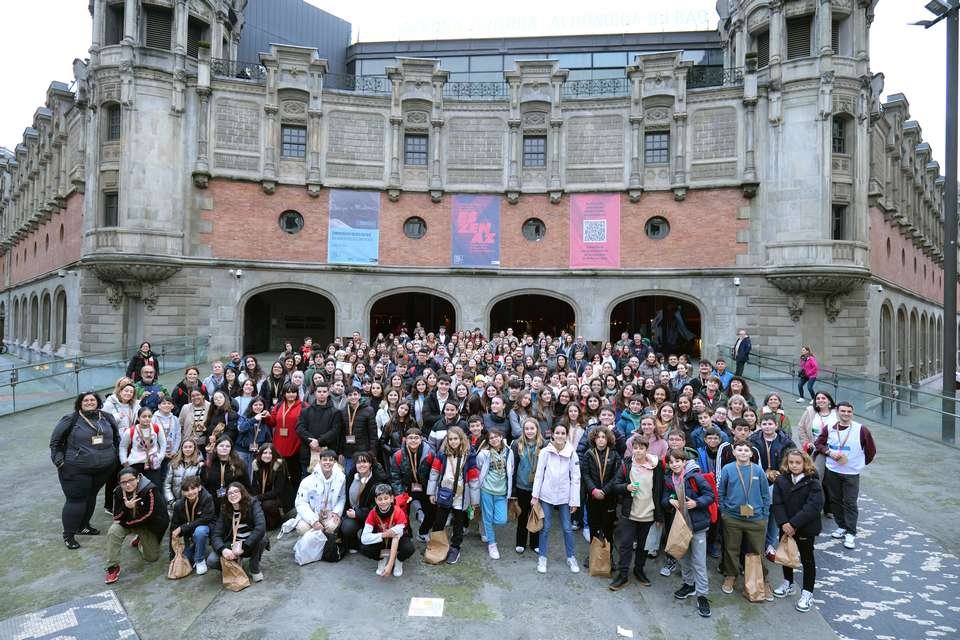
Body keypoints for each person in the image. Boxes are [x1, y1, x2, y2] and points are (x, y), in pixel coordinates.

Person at [51, 392, 120, 549]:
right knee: (76, 500)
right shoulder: (71, 419)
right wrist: (59, 461)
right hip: (76, 469)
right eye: (86, 400)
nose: (89, 402)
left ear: (98, 402)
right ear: (80, 404)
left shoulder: (107, 417)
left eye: (92, 400)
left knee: (91, 496)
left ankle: (83, 526)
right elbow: (55, 443)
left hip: (103, 468)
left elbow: (116, 438)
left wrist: (114, 456)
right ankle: (69, 535)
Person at [814, 401, 876, 550]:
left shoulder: (861, 429)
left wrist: (859, 464)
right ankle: (841, 526)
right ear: (837, 412)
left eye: (849, 411)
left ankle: (851, 533)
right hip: (832, 470)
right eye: (843, 411)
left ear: (852, 413)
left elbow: (871, 450)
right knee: (835, 500)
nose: (846, 414)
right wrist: (829, 452)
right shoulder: (830, 427)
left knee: (850, 502)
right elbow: (819, 444)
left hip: (851, 473)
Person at [662, 449, 714, 618]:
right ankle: (688, 584)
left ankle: (702, 595)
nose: (675, 464)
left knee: (699, 561)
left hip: (697, 526)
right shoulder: (668, 479)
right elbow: (663, 499)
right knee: (683, 557)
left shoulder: (694, 477)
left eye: (678, 461)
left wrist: (697, 503)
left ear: (684, 462)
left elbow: (710, 495)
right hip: (680, 525)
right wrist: (670, 500)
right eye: (671, 462)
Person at [718, 440, 772, 599]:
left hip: (756, 518)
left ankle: (762, 580)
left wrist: (764, 515)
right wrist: (724, 512)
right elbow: (721, 492)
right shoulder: (727, 469)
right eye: (739, 450)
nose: (743, 452)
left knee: (757, 551)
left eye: (746, 450)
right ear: (734, 452)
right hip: (732, 517)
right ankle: (731, 575)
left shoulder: (758, 470)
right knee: (731, 548)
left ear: (751, 453)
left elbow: (765, 494)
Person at [771, 449, 823, 612]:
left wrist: (793, 524)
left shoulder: (813, 482)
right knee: (786, 555)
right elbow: (777, 503)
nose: (794, 465)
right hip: (786, 527)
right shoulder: (781, 480)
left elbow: (813, 506)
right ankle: (788, 583)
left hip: (805, 527)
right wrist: (784, 523)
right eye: (791, 462)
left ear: (805, 463)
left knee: (807, 560)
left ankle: (807, 592)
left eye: (798, 462)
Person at [609, 436, 662, 590]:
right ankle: (623, 574)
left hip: (648, 513)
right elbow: (615, 485)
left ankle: (639, 570)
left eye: (641, 448)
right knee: (625, 544)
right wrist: (626, 487)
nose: (638, 451)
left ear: (647, 449)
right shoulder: (626, 464)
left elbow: (659, 490)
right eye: (636, 448)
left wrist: (659, 515)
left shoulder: (656, 466)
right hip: (630, 513)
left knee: (643, 546)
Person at [104, 466, 170, 584]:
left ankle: (140, 541)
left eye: (131, 480)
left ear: (138, 478)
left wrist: (126, 523)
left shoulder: (150, 490)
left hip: (147, 525)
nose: (127, 485)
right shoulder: (118, 492)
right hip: (128, 522)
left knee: (151, 558)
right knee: (114, 531)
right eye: (123, 482)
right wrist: (126, 507)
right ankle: (112, 567)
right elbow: (116, 516)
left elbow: (150, 515)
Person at [530, 423, 581, 574]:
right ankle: (542, 557)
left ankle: (571, 557)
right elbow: (539, 474)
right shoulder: (545, 452)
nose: (560, 436)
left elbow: (576, 478)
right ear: (552, 434)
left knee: (567, 528)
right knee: (545, 527)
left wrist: (574, 501)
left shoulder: (572, 453)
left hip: (565, 496)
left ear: (566, 435)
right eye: (557, 433)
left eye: (563, 433)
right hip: (547, 495)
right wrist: (535, 496)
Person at [427, 426, 480, 565]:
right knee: (439, 521)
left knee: (458, 522)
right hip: (445, 492)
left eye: (456, 438)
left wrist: (474, 500)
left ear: (461, 439)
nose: (453, 441)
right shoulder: (442, 454)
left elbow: (473, 478)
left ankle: (455, 548)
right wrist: (431, 492)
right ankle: (437, 545)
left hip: (461, 495)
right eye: (450, 439)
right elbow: (434, 473)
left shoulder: (470, 455)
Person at [749, 415, 797, 559]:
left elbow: (792, 460)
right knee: (762, 513)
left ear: (776, 425)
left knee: (776, 514)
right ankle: (759, 543)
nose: (767, 427)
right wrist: (762, 472)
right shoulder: (753, 440)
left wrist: (781, 473)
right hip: (759, 481)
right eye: (764, 424)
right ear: (760, 425)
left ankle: (770, 544)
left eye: (770, 424)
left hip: (780, 481)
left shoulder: (786, 441)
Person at [207, 482, 268, 583]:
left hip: (250, 542)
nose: (233, 495)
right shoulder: (225, 508)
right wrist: (223, 549)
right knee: (211, 561)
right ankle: (235, 564)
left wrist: (244, 546)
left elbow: (260, 527)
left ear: (242, 492)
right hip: (233, 543)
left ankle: (254, 567)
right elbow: (216, 534)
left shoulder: (253, 503)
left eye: (236, 491)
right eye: (230, 493)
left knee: (263, 538)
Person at [389, 425, 436, 542]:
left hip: (425, 486)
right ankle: (407, 533)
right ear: (405, 439)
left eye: (416, 438)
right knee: (401, 511)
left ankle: (423, 532)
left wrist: (432, 491)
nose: (413, 440)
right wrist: (400, 494)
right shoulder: (398, 455)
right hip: (407, 487)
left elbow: (434, 474)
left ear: (421, 439)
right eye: (410, 438)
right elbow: (395, 477)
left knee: (432, 511)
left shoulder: (430, 454)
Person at [360, 483, 416, 577]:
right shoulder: (372, 513)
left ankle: (398, 560)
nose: (383, 502)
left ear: (391, 498)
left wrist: (390, 565)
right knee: (364, 547)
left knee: (409, 548)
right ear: (375, 500)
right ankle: (382, 559)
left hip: (397, 540)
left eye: (386, 498)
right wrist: (383, 535)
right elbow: (364, 538)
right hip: (382, 539)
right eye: (380, 499)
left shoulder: (398, 512)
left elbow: (396, 537)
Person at [476, 429, 514, 559]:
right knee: (488, 518)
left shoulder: (508, 452)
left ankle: (485, 525)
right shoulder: (484, 454)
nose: (494, 439)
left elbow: (511, 469)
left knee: (501, 519)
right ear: (488, 440)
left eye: (496, 436)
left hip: (502, 491)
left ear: (501, 437)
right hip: (486, 490)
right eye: (491, 438)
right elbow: (479, 468)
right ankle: (492, 544)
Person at [294, 449, 346, 543]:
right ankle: (311, 542)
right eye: (324, 460)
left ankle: (327, 544)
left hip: (330, 512)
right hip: (313, 512)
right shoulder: (308, 480)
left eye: (331, 460)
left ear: (335, 462)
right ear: (320, 461)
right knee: (302, 528)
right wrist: (313, 521)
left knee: (332, 526)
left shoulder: (341, 479)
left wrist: (337, 512)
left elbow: (342, 497)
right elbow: (301, 503)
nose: (327, 462)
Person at [102, 379, 138, 513]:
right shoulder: (110, 403)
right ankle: (109, 505)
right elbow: (103, 421)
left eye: (131, 392)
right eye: (126, 391)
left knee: (126, 474)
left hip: (129, 444)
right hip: (115, 444)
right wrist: (116, 417)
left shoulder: (133, 405)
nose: (128, 393)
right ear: (120, 391)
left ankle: (124, 502)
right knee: (113, 476)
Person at [582, 426, 620, 552]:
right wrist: (593, 490)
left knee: (608, 529)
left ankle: (608, 556)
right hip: (593, 497)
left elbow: (617, 476)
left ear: (608, 439)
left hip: (609, 498)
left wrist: (604, 491)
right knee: (594, 529)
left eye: (603, 437)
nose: (601, 439)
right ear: (594, 439)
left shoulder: (614, 454)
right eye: (598, 437)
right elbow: (585, 474)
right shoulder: (589, 454)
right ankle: (593, 555)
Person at [169, 475, 216, 575]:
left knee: (200, 531)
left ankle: (200, 560)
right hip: (188, 533)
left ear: (199, 488)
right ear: (182, 492)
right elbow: (173, 528)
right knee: (186, 560)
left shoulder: (207, 498)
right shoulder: (179, 505)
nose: (190, 492)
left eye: (193, 488)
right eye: (186, 490)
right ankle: (195, 549)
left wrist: (183, 527)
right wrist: (173, 555)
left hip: (205, 527)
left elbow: (206, 519)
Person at [341, 451, 388, 551]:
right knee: (347, 527)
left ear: (370, 464)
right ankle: (353, 542)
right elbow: (346, 499)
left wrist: (357, 514)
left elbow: (378, 506)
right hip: (353, 513)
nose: (361, 465)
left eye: (365, 462)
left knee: (367, 547)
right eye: (358, 462)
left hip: (372, 516)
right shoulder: (351, 476)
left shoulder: (378, 481)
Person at [511, 418, 544, 554]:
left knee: (535, 514)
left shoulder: (544, 445)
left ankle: (535, 543)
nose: (529, 431)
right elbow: (513, 468)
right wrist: (513, 490)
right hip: (522, 486)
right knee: (523, 515)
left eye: (532, 428)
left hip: (538, 487)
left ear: (537, 429)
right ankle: (521, 542)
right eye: (527, 429)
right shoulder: (517, 444)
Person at [270, 384, 304, 496]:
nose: (291, 394)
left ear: (297, 393)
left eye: (293, 392)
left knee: (295, 476)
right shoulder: (279, 406)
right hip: (279, 446)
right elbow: (272, 422)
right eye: (288, 392)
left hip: (296, 446)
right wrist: (267, 416)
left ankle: (295, 498)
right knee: (280, 476)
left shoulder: (303, 406)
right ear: (284, 394)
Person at [119, 406, 167, 486]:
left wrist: (160, 457)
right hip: (136, 463)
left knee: (155, 487)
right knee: (138, 488)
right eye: (144, 416)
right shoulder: (130, 431)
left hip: (153, 462)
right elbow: (123, 446)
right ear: (138, 418)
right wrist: (124, 461)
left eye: (149, 416)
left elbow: (163, 443)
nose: (147, 419)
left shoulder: (157, 428)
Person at [203, 435, 250, 513]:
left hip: (233, 501)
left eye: (227, 446)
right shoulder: (209, 464)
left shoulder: (240, 464)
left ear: (231, 449)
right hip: (213, 502)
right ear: (216, 448)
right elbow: (204, 485)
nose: (224, 448)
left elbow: (246, 485)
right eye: (221, 446)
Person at [339, 387, 378, 475]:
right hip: (348, 451)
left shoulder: (368, 410)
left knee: (363, 477)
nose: (353, 397)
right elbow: (341, 434)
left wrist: (372, 452)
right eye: (350, 395)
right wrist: (340, 452)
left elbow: (373, 434)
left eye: (355, 394)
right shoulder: (343, 411)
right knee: (349, 476)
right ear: (347, 397)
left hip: (363, 451)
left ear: (359, 396)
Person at [252, 443, 288, 530]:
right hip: (264, 496)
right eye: (265, 453)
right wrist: (254, 498)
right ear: (260, 454)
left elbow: (278, 491)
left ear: (274, 454)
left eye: (270, 453)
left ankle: (278, 520)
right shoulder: (257, 465)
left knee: (267, 505)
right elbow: (254, 486)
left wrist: (258, 497)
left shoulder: (279, 466)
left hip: (278, 499)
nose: (267, 455)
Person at [237, 397, 273, 478]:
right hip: (242, 451)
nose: (258, 407)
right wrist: (254, 419)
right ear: (251, 406)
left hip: (256, 452)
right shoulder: (244, 417)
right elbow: (241, 428)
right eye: (255, 405)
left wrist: (262, 449)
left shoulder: (265, 419)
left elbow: (268, 438)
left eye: (260, 405)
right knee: (241, 475)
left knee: (252, 476)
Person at [163, 439, 203, 507]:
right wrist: (171, 501)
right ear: (181, 448)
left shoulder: (198, 465)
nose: (188, 449)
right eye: (185, 447)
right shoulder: (173, 464)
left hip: (191, 502)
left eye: (190, 447)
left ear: (194, 448)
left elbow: (200, 486)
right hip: (174, 502)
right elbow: (167, 484)